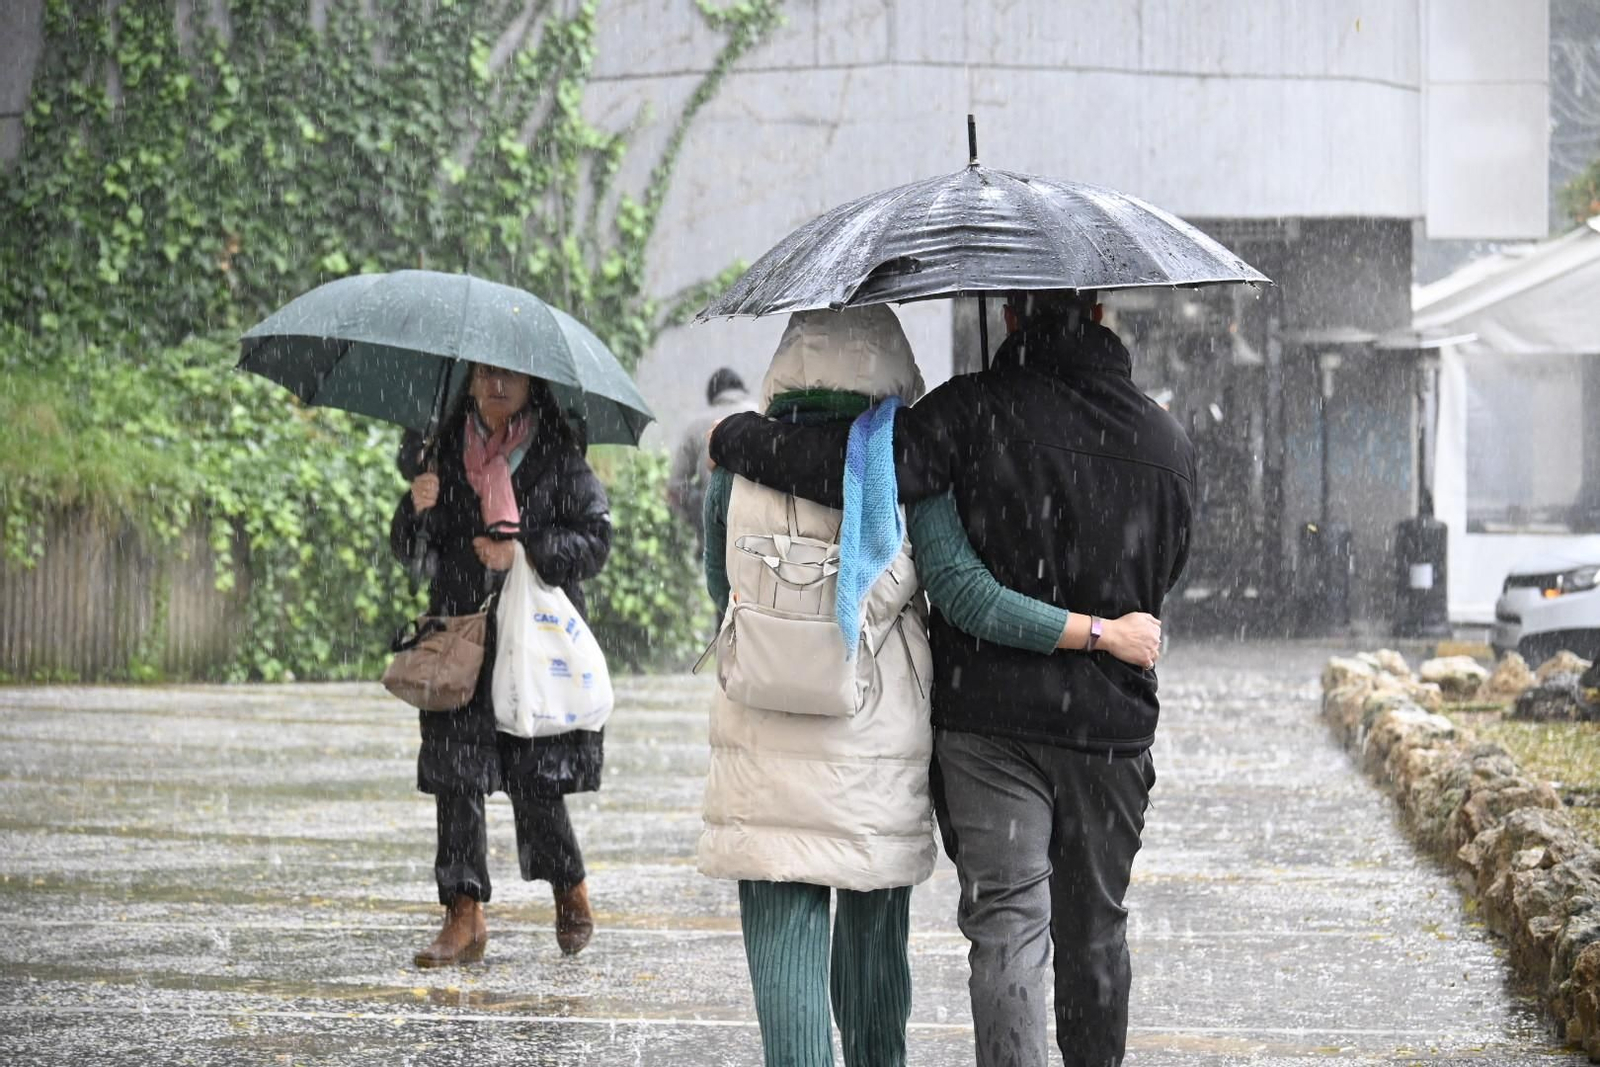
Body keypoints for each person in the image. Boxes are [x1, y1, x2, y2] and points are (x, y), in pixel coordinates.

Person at [709, 291, 1195, 1067]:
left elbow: (851, 472)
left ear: (1010, 316)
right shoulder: (1163, 438)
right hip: (1106, 729)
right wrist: (1102, 626)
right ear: (1100, 311)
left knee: (1007, 928)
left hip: (988, 725)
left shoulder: (966, 413)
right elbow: (1167, 567)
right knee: (1097, 931)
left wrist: (738, 436)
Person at [390, 361, 612, 968]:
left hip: (531, 638)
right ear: (468, 380)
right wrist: (416, 507)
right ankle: (462, 914)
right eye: (486, 373)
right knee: (455, 775)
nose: (496, 385)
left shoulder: (557, 455)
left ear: (531, 384)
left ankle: (568, 885)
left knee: (533, 777)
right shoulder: (438, 450)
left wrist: (524, 552)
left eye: (510, 375)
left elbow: (594, 541)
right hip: (461, 632)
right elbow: (410, 549)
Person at [668, 367, 755, 545]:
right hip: (761, 533)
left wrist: (699, 507)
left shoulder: (697, 426)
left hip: (714, 533)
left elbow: (675, 486)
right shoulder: (765, 415)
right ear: (741, 389)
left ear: (712, 396)